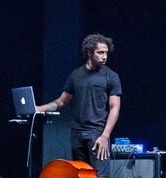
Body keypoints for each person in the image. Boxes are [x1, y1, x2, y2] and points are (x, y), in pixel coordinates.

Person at [35, 33, 122, 164]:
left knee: (99, 176)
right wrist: (38, 108)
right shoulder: (75, 75)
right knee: (80, 174)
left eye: (106, 53)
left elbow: (114, 108)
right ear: (89, 52)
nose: (104, 56)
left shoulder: (111, 76)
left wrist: (105, 136)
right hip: (77, 134)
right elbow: (61, 101)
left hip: (97, 133)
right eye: (100, 53)